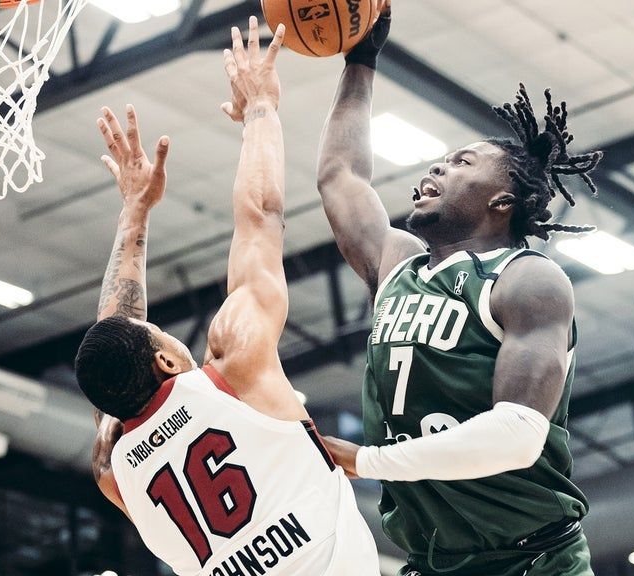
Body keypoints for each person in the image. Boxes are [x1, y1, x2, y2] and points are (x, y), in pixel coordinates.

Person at [76, 18, 378, 576]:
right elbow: (261, 217)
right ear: (167, 360)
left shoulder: (114, 470)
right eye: (161, 334)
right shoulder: (236, 367)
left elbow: (110, 362)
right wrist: (260, 108)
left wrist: (135, 214)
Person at [315, 4, 601, 575]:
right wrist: (361, 58)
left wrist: (366, 461)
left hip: (533, 560)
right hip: (433, 562)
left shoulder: (527, 279)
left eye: (461, 163)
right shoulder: (397, 265)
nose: (437, 169)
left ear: (502, 200)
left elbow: (516, 435)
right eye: (440, 162)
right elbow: (340, 176)